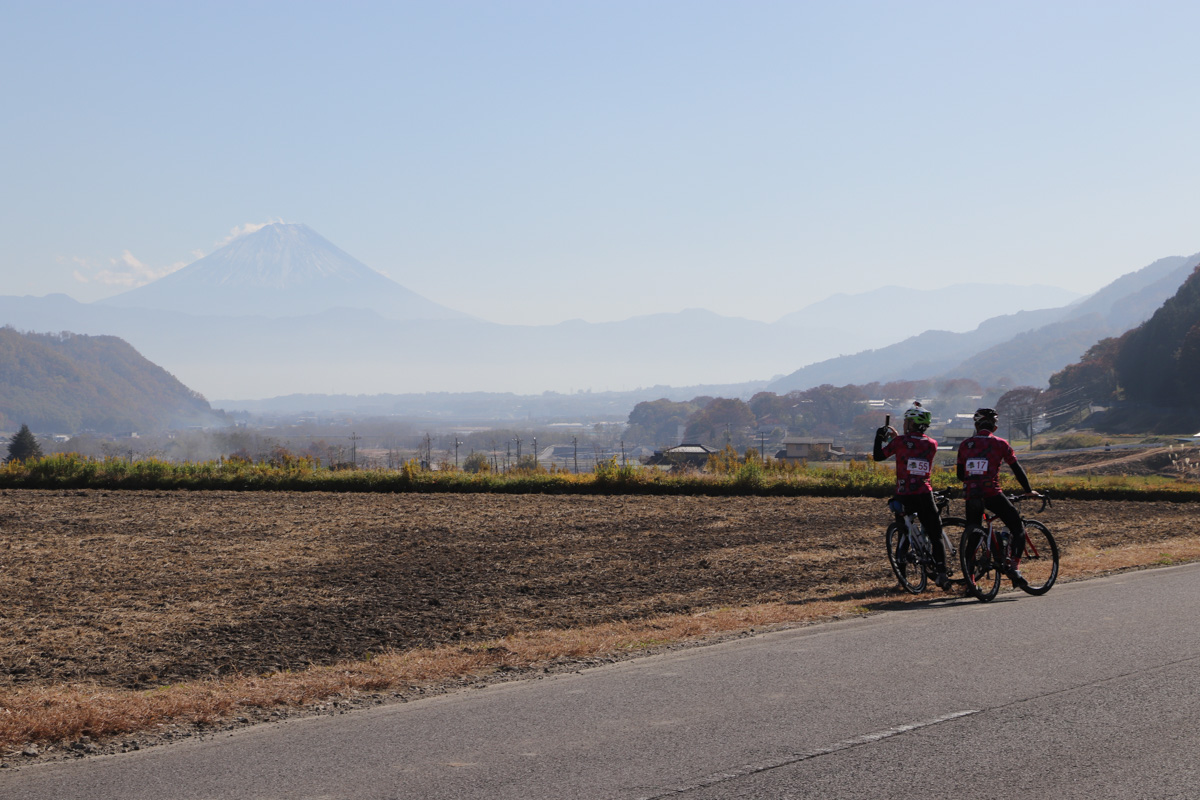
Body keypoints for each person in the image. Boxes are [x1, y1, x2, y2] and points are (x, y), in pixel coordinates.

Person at [956, 407, 1041, 588]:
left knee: (973, 536)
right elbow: (1016, 469)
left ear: (976, 425)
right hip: (992, 493)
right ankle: (1014, 568)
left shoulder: (964, 445)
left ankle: (970, 582)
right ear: (994, 427)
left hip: (971, 495)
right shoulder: (1001, 444)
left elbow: (960, 475)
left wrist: (974, 479)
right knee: (1017, 526)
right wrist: (1028, 490)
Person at [874, 403, 950, 589]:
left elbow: (878, 456)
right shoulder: (932, 444)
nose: (904, 424)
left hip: (903, 494)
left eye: (907, 421)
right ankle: (941, 572)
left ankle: (903, 578)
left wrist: (879, 437)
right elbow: (913, 446)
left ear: (913, 423)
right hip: (924, 493)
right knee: (935, 534)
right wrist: (900, 437)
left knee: (903, 534)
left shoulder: (899, 443)